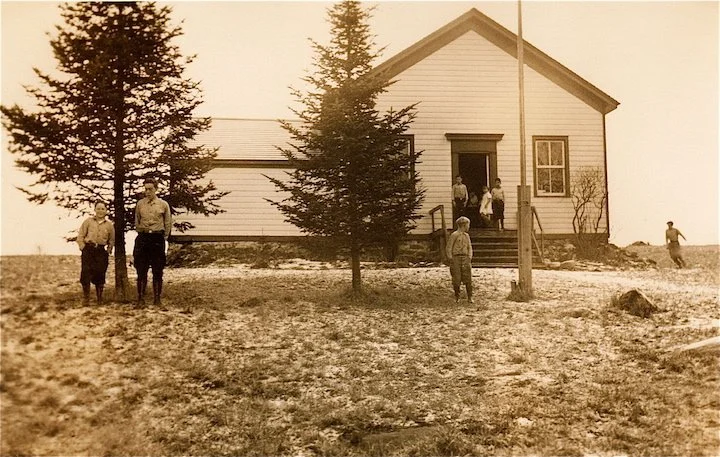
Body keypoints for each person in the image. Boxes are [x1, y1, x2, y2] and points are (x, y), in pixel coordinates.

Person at [134, 178, 172, 306]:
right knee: (141, 269)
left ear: (156, 189)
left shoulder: (163, 204)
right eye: (146, 189)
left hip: (157, 239)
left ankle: (157, 299)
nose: (148, 192)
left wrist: (163, 238)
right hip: (143, 239)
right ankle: (140, 299)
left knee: (157, 269)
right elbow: (137, 220)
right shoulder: (140, 204)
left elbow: (168, 222)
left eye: (150, 189)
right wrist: (142, 232)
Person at [77, 200, 115, 305]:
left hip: (101, 252)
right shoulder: (88, 222)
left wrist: (108, 250)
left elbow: (111, 240)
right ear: (95, 210)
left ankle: (99, 299)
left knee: (100, 273)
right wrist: (82, 247)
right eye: (98, 208)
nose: (100, 211)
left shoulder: (109, 225)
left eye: (103, 209)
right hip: (88, 250)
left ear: (106, 211)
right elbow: (80, 236)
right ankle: (86, 299)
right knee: (86, 273)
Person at [446, 216, 473, 304]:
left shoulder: (467, 236)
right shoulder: (454, 235)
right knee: (456, 278)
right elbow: (449, 247)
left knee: (468, 278)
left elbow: (469, 247)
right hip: (456, 258)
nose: (468, 227)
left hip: (465, 258)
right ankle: (457, 296)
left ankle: (470, 297)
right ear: (463, 225)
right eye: (468, 225)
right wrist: (451, 258)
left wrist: (469, 257)